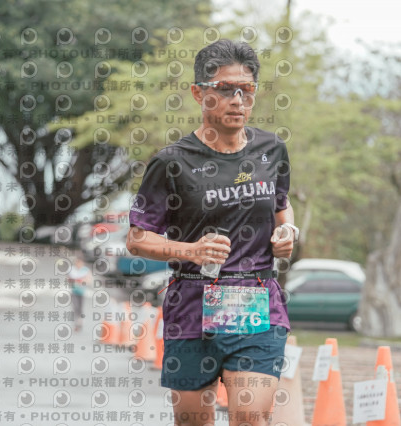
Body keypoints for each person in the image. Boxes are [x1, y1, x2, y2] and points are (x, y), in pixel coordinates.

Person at [126, 39, 299, 426]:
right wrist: (191, 251)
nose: (238, 100)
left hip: (257, 304)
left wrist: (287, 231)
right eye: (224, 89)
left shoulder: (272, 150)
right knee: (192, 421)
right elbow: (137, 239)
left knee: (251, 417)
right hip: (191, 304)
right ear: (198, 93)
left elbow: (281, 206)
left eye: (247, 90)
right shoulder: (171, 162)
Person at [68, 257, 92, 332]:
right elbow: (68, 278)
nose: (78, 264)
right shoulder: (72, 269)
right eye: (77, 263)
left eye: (80, 263)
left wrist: (82, 281)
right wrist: (73, 280)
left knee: (80, 308)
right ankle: (76, 324)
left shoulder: (85, 270)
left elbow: (89, 280)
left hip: (82, 292)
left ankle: (80, 321)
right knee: (75, 307)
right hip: (74, 291)